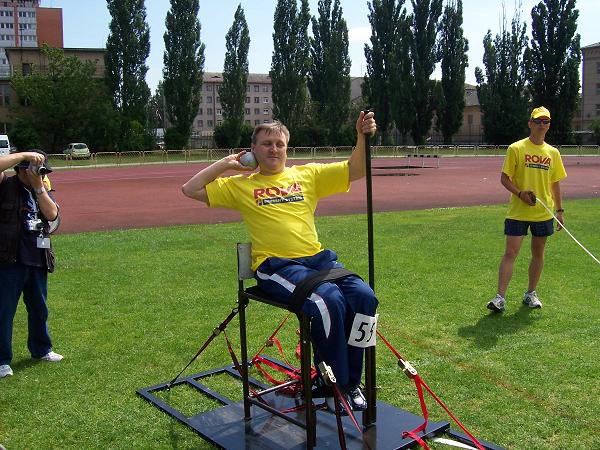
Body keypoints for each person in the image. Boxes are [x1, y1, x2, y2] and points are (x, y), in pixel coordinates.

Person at [182, 111, 378, 410]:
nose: (274, 149)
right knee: (327, 301)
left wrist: (361, 137)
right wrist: (227, 163)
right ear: (253, 150)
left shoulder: (308, 175)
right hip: (277, 266)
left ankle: (351, 381)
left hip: (317, 260)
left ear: (287, 148)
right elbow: (190, 189)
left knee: (365, 297)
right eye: (266, 144)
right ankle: (335, 384)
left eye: (279, 144)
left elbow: (356, 169)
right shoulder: (241, 185)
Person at [487, 107, 566, 313]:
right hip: (518, 212)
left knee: (538, 253)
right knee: (510, 252)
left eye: (546, 121)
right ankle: (500, 298)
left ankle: (531, 293)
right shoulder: (516, 148)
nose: (542, 125)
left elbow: (555, 183)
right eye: (538, 121)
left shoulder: (553, 153)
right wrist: (520, 193)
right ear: (530, 123)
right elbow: (504, 178)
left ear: (549, 125)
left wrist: (559, 211)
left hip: (543, 212)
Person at [0, 149, 63, 379]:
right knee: (4, 311)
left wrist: (39, 187)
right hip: (9, 260)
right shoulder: (5, 185)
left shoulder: (41, 188)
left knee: (39, 308)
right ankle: (2, 360)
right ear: (22, 170)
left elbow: (52, 214)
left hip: (37, 258)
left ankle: (42, 349)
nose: (42, 174)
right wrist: (23, 156)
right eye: (36, 170)